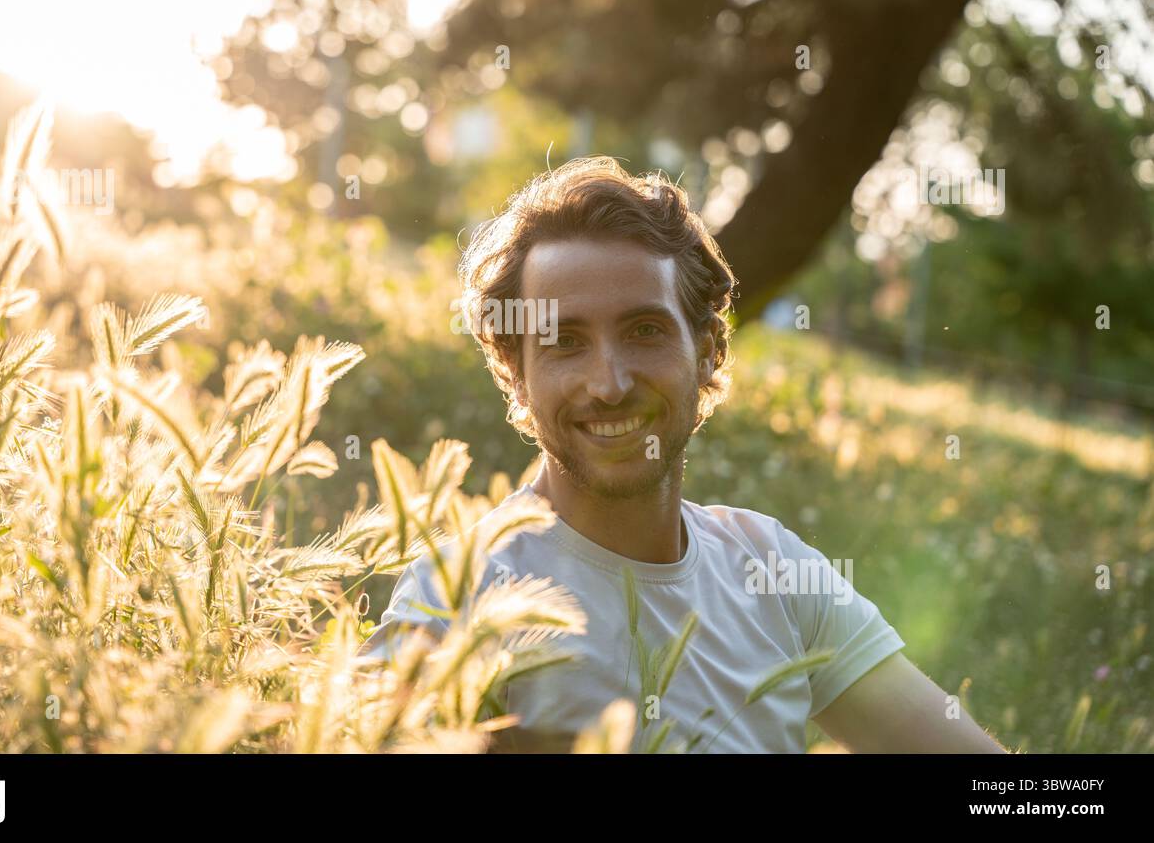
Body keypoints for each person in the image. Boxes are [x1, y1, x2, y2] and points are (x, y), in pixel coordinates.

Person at [360, 157, 1006, 754]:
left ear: (708, 354)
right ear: (517, 375)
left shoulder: (773, 569)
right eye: (565, 342)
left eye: (645, 331)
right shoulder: (458, 598)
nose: (609, 384)